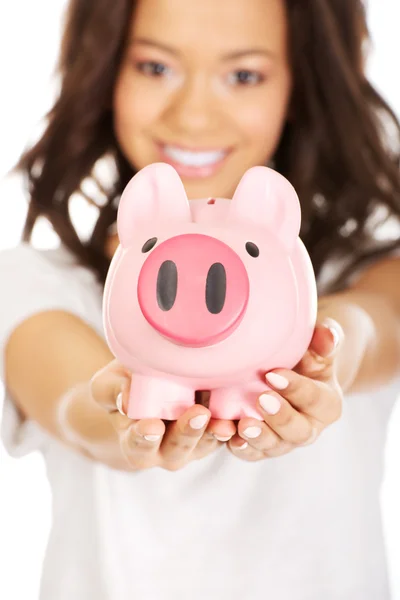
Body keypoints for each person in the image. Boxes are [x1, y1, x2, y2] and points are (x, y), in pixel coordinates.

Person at [1, 0, 400, 598]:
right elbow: (72, 405)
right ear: (105, 70)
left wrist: (322, 350)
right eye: (155, 67)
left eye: (244, 75)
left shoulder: (371, 271)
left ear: (301, 82)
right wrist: (121, 418)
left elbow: (374, 329)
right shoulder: (31, 280)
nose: (192, 115)